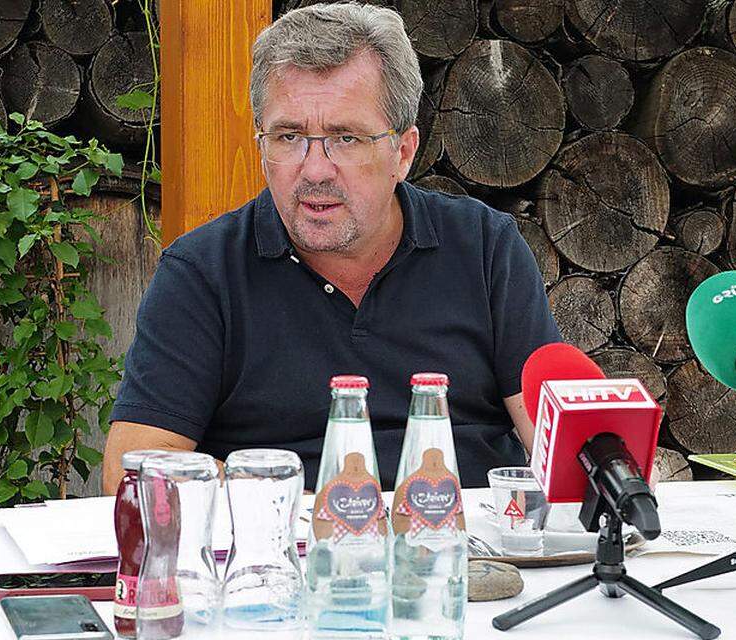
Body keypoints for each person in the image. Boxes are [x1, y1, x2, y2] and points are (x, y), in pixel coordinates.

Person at [102, 3, 560, 494]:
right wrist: (296, 506)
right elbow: (133, 470)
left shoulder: (486, 249)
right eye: (289, 136)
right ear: (261, 146)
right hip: (283, 554)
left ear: (402, 152)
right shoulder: (201, 272)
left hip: (469, 552)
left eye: (345, 138)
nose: (315, 169)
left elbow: (561, 448)